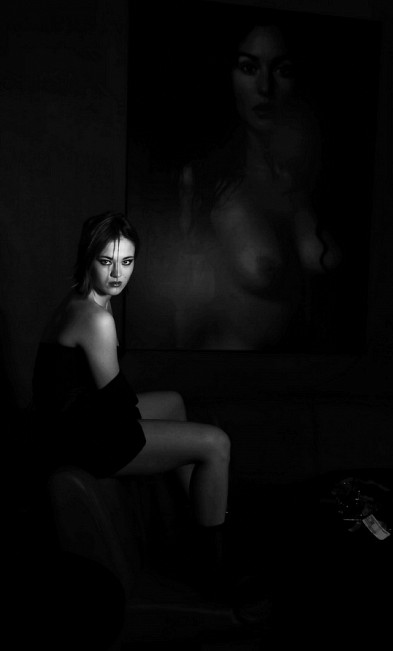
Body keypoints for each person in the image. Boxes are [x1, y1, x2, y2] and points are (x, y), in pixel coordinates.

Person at [31, 211, 268, 622]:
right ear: (88, 258)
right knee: (216, 443)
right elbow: (117, 404)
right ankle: (215, 565)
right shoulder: (95, 317)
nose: (117, 274)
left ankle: (196, 518)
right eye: (106, 261)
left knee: (173, 402)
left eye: (126, 262)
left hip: (77, 420)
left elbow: (95, 392)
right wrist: (142, 422)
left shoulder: (81, 299)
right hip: (83, 439)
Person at [126, 16, 341, 351]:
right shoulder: (206, 181)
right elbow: (184, 306)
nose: (265, 87)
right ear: (228, 76)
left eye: (282, 70)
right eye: (249, 68)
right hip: (228, 370)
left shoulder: (312, 178)